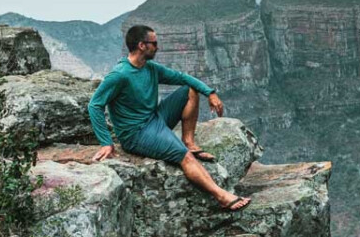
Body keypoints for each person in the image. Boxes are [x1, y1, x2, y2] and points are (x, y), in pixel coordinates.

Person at [87, 24, 251, 212]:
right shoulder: (120, 75)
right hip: (137, 134)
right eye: (154, 43)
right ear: (142, 45)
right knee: (185, 157)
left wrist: (210, 93)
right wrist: (106, 142)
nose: (158, 47)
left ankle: (188, 140)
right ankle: (222, 196)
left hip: (155, 118)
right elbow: (94, 105)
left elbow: (183, 78)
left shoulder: (150, 68)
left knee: (189, 90)